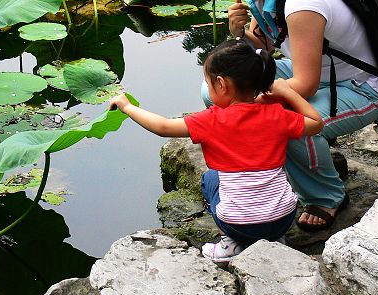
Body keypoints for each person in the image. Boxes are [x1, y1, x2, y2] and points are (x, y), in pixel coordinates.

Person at [198, 0, 378, 232]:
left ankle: (326, 195)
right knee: (218, 90)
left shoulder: (301, 2)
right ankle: (299, 164)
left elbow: (306, 84)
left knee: (276, 119)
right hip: (323, 79)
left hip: (359, 88)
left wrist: (254, 111)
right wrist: (241, 35)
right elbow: (263, 55)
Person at [109, 39, 324, 263]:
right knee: (276, 176)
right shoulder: (277, 114)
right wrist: (286, 92)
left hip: (238, 225)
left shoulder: (211, 120)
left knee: (210, 179)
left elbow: (162, 127)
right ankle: (274, 240)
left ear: (221, 84)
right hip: (283, 218)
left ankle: (230, 243)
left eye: (208, 83)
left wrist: (127, 107)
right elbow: (316, 123)